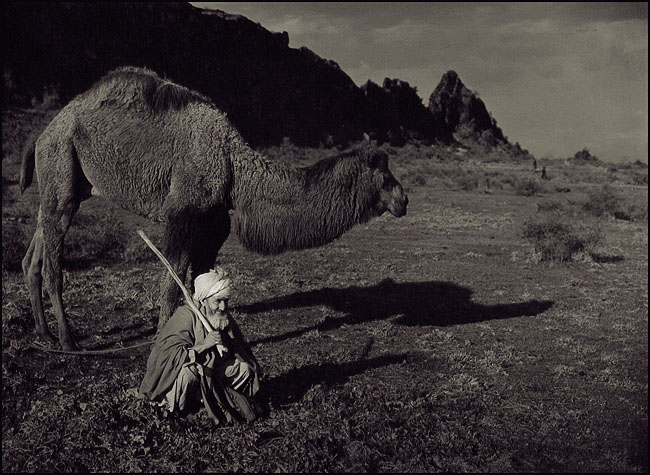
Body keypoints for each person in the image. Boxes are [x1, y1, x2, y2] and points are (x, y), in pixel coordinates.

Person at [139, 267, 263, 425]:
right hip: (194, 374)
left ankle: (208, 400)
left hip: (214, 374)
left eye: (226, 300)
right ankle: (179, 409)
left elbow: (239, 348)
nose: (223, 307)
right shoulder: (185, 316)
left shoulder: (223, 317)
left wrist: (227, 343)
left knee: (244, 369)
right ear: (204, 300)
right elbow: (170, 356)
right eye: (218, 301)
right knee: (189, 372)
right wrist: (205, 345)